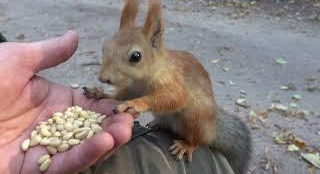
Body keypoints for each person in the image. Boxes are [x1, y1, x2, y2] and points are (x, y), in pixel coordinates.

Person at [0, 31, 235, 174]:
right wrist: (105, 95)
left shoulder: (161, 71)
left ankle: (191, 143)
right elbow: (129, 92)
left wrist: (143, 104)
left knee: (195, 117)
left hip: (190, 116)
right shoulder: (138, 74)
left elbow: (175, 99)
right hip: (166, 117)